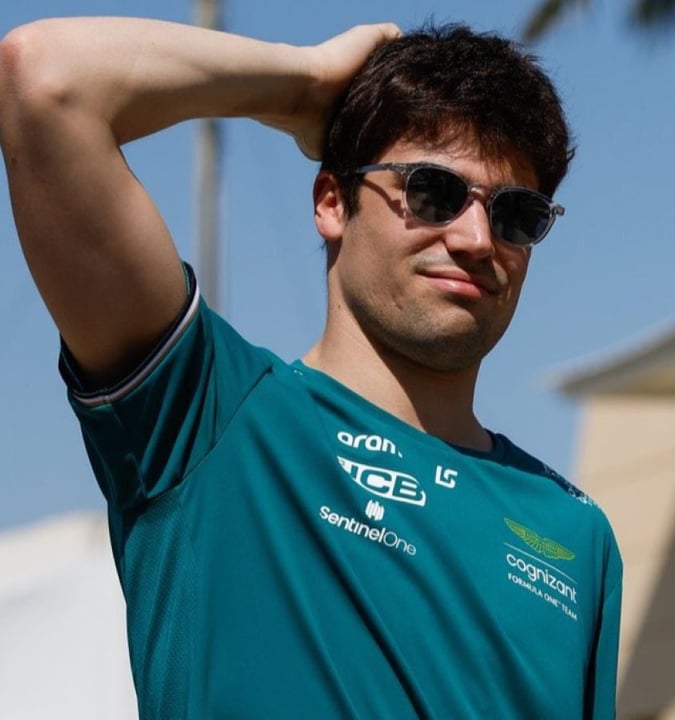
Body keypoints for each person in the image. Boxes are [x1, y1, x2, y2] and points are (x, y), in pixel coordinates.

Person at [0, 16, 620, 719]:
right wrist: (301, 88)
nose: (477, 238)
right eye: (433, 192)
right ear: (332, 201)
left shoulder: (575, 532)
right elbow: (45, 79)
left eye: (516, 215)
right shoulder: (210, 414)